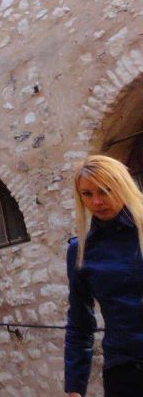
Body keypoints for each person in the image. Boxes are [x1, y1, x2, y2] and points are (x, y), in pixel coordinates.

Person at [65, 155, 143, 396]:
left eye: (105, 190)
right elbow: (80, 323)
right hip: (124, 373)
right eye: (87, 194)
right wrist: (74, 387)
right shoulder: (80, 251)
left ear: (122, 185)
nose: (97, 201)